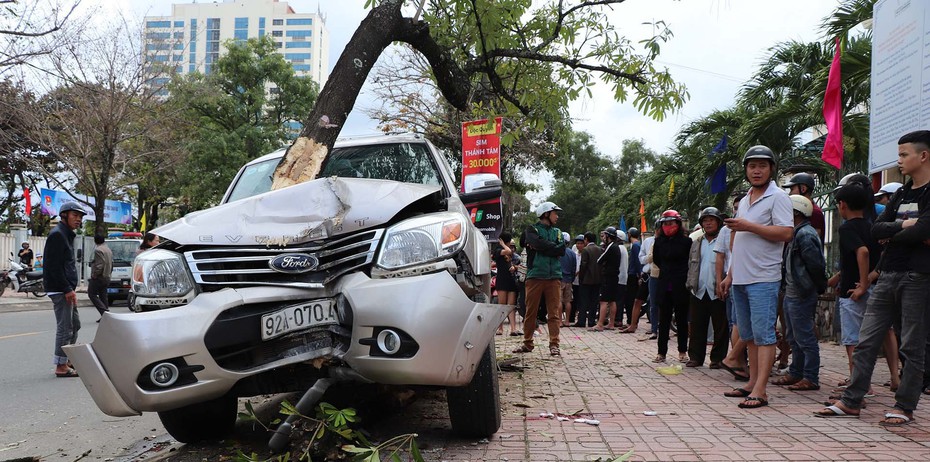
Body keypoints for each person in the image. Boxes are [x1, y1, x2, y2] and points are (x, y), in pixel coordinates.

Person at [817, 130, 930, 425]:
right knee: (866, 341)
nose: (900, 160)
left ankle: (904, 406)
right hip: (887, 275)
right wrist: (907, 225)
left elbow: (922, 231)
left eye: (904, 154)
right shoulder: (904, 193)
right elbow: (876, 229)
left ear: (923, 156)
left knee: (911, 344)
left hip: (918, 276)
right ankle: (851, 401)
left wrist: (900, 232)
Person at [719, 145, 793, 409]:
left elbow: (786, 233)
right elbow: (739, 242)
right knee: (748, 335)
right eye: (752, 166)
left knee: (764, 336)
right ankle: (751, 382)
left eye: (762, 165)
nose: (757, 170)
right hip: (740, 278)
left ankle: (761, 390)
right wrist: (730, 274)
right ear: (746, 170)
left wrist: (748, 226)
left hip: (763, 277)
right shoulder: (747, 197)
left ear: (772, 168)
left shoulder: (778, 197)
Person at [829, 183, 896, 396]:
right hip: (876, 287)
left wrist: (862, 284)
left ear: (842, 205)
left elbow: (863, 252)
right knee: (885, 331)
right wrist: (870, 278)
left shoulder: (847, 227)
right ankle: (896, 377)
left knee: (853, 339)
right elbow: (883, 255)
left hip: (853, 291)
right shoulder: (872, 226)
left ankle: (860, 386)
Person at [772, 195, 826, 391]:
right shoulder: (796, 233)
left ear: (795, 212)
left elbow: (816, 266)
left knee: (805, 337)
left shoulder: (805, 235)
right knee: (794, 336)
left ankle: (810, 377)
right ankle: (796, 372)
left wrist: (816, 287)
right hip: (792, 292)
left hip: (801, 293)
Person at [513, 202, 566, 356]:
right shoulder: (532, 229)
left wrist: (543, 247)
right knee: (530, 312)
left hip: (554, 276)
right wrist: (551, 248)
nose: (557, 216)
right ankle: (527, 343)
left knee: (554, 313)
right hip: (535, 276)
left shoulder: (557, 231)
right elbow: (537, 242)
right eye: (555, 213)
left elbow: (561, 249)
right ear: (546, 214)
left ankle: (554, 344)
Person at [44, 201, 87, 378]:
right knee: (65, 327)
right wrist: (67, 288)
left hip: (67, 288)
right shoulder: (58, 235)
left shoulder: (67, 234)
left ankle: (67, 359)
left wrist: (70, 288)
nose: (78, 219)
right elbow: (53, 267)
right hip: (60, 289)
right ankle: (61, 366)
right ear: (64, 215)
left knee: (75, 324)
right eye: (75, 215)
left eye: (80, 217)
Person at [685, 207, 728, 368]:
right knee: (696, 326)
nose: (708, 223)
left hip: (718, 290)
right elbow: (691, 265)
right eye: (705, 220)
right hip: (698, 289)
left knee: (721, 328)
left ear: (719, 222)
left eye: (711, 220)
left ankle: (717, 359)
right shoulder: (696, 243)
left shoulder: (724, 241)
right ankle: (695, 357)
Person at [652, 210, 692, 363]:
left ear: (678, 224)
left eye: (671, 223)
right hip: (664, 284)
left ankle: (683, 351)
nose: (668, 226)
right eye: (665, 224)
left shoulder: (686, 242)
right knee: (664, 320)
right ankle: (661, 352)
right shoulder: (659, 241)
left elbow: (689, 261)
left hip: (681, 284)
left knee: (682, 320)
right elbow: (657, 260)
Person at [591, 227, 622, 331]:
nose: (603, 238)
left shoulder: (611, 246)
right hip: (614, 277)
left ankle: (600, 324)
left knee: (603, 301)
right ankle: (611, 323)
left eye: (604, 235)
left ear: (608, 236)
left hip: (608, 277)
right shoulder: (617, 246)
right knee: (612, 301)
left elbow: (599, 260)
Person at [782, 172, 825, 241]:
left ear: (803, 189)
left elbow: (812, 241)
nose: (790, 193)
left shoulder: (815, 212)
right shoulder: (798, 209)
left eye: (792, 189)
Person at [493, 232, 520, 336]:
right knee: (502, 305)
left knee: (511, 306)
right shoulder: (498, 251)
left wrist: (513, 267)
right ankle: (500, 328)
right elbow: (508, 250)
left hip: (511, 280)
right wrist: (503, 244)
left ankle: (513, 329)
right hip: (502, 280)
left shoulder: (508, 252)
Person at [576, 231, 603, 328]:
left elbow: (583, 265)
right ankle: (591, 321)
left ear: (586, 240)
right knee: (594, 301)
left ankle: (581, 321)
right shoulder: (600, 250)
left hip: (586, 280)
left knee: (583, 301)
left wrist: (581, 278)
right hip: (597, 280)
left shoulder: (586, 250)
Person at [620, 227, 643, 332]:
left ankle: (631, 321)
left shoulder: (636, 246)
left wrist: (639, 275)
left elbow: (638, 261)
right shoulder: (635, 245)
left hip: (633, 275)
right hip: (633, 274)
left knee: (630, 299)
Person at [88, 233, 113, 322]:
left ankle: (105, 312)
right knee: (103, 296)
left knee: (92, 294)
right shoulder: (108, 250)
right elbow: (111, 264)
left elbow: (100, 265)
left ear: (95, 241)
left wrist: (95, 274)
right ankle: (106, 316)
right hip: (107, 276)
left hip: (99, 276)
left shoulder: (98, 250)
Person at [559, 232, 577, 327]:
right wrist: (571, 278)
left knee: (559, 301)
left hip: (559, 279)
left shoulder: (558, 252)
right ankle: (567, 321)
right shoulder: (572, 254)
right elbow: (574, 268)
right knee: (568, 301)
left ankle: (559, 321)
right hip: (569, 280)